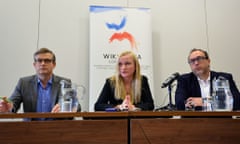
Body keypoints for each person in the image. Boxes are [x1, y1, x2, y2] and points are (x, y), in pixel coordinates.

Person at [0, 48, 81, 120]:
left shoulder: (64, 82)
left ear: (54, 64)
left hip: (57, 130)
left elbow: (77, 107)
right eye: (39, 60)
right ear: (34, 65)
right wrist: (8, 107)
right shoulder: (24, 83)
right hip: (30, 130)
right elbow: (13, 103)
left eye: (47, 60)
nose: (43, 63)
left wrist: (67, 108)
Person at [175, 48, 240, 111]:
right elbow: (179, 104)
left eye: (199, 59)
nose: (196, 63)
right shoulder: (184, 80)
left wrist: (205, 101)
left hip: (221, 120)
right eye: (192, 61)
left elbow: (237, 102)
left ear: (208, 61)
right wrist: (218, 102)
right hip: (195, 121)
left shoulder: (223, 78)